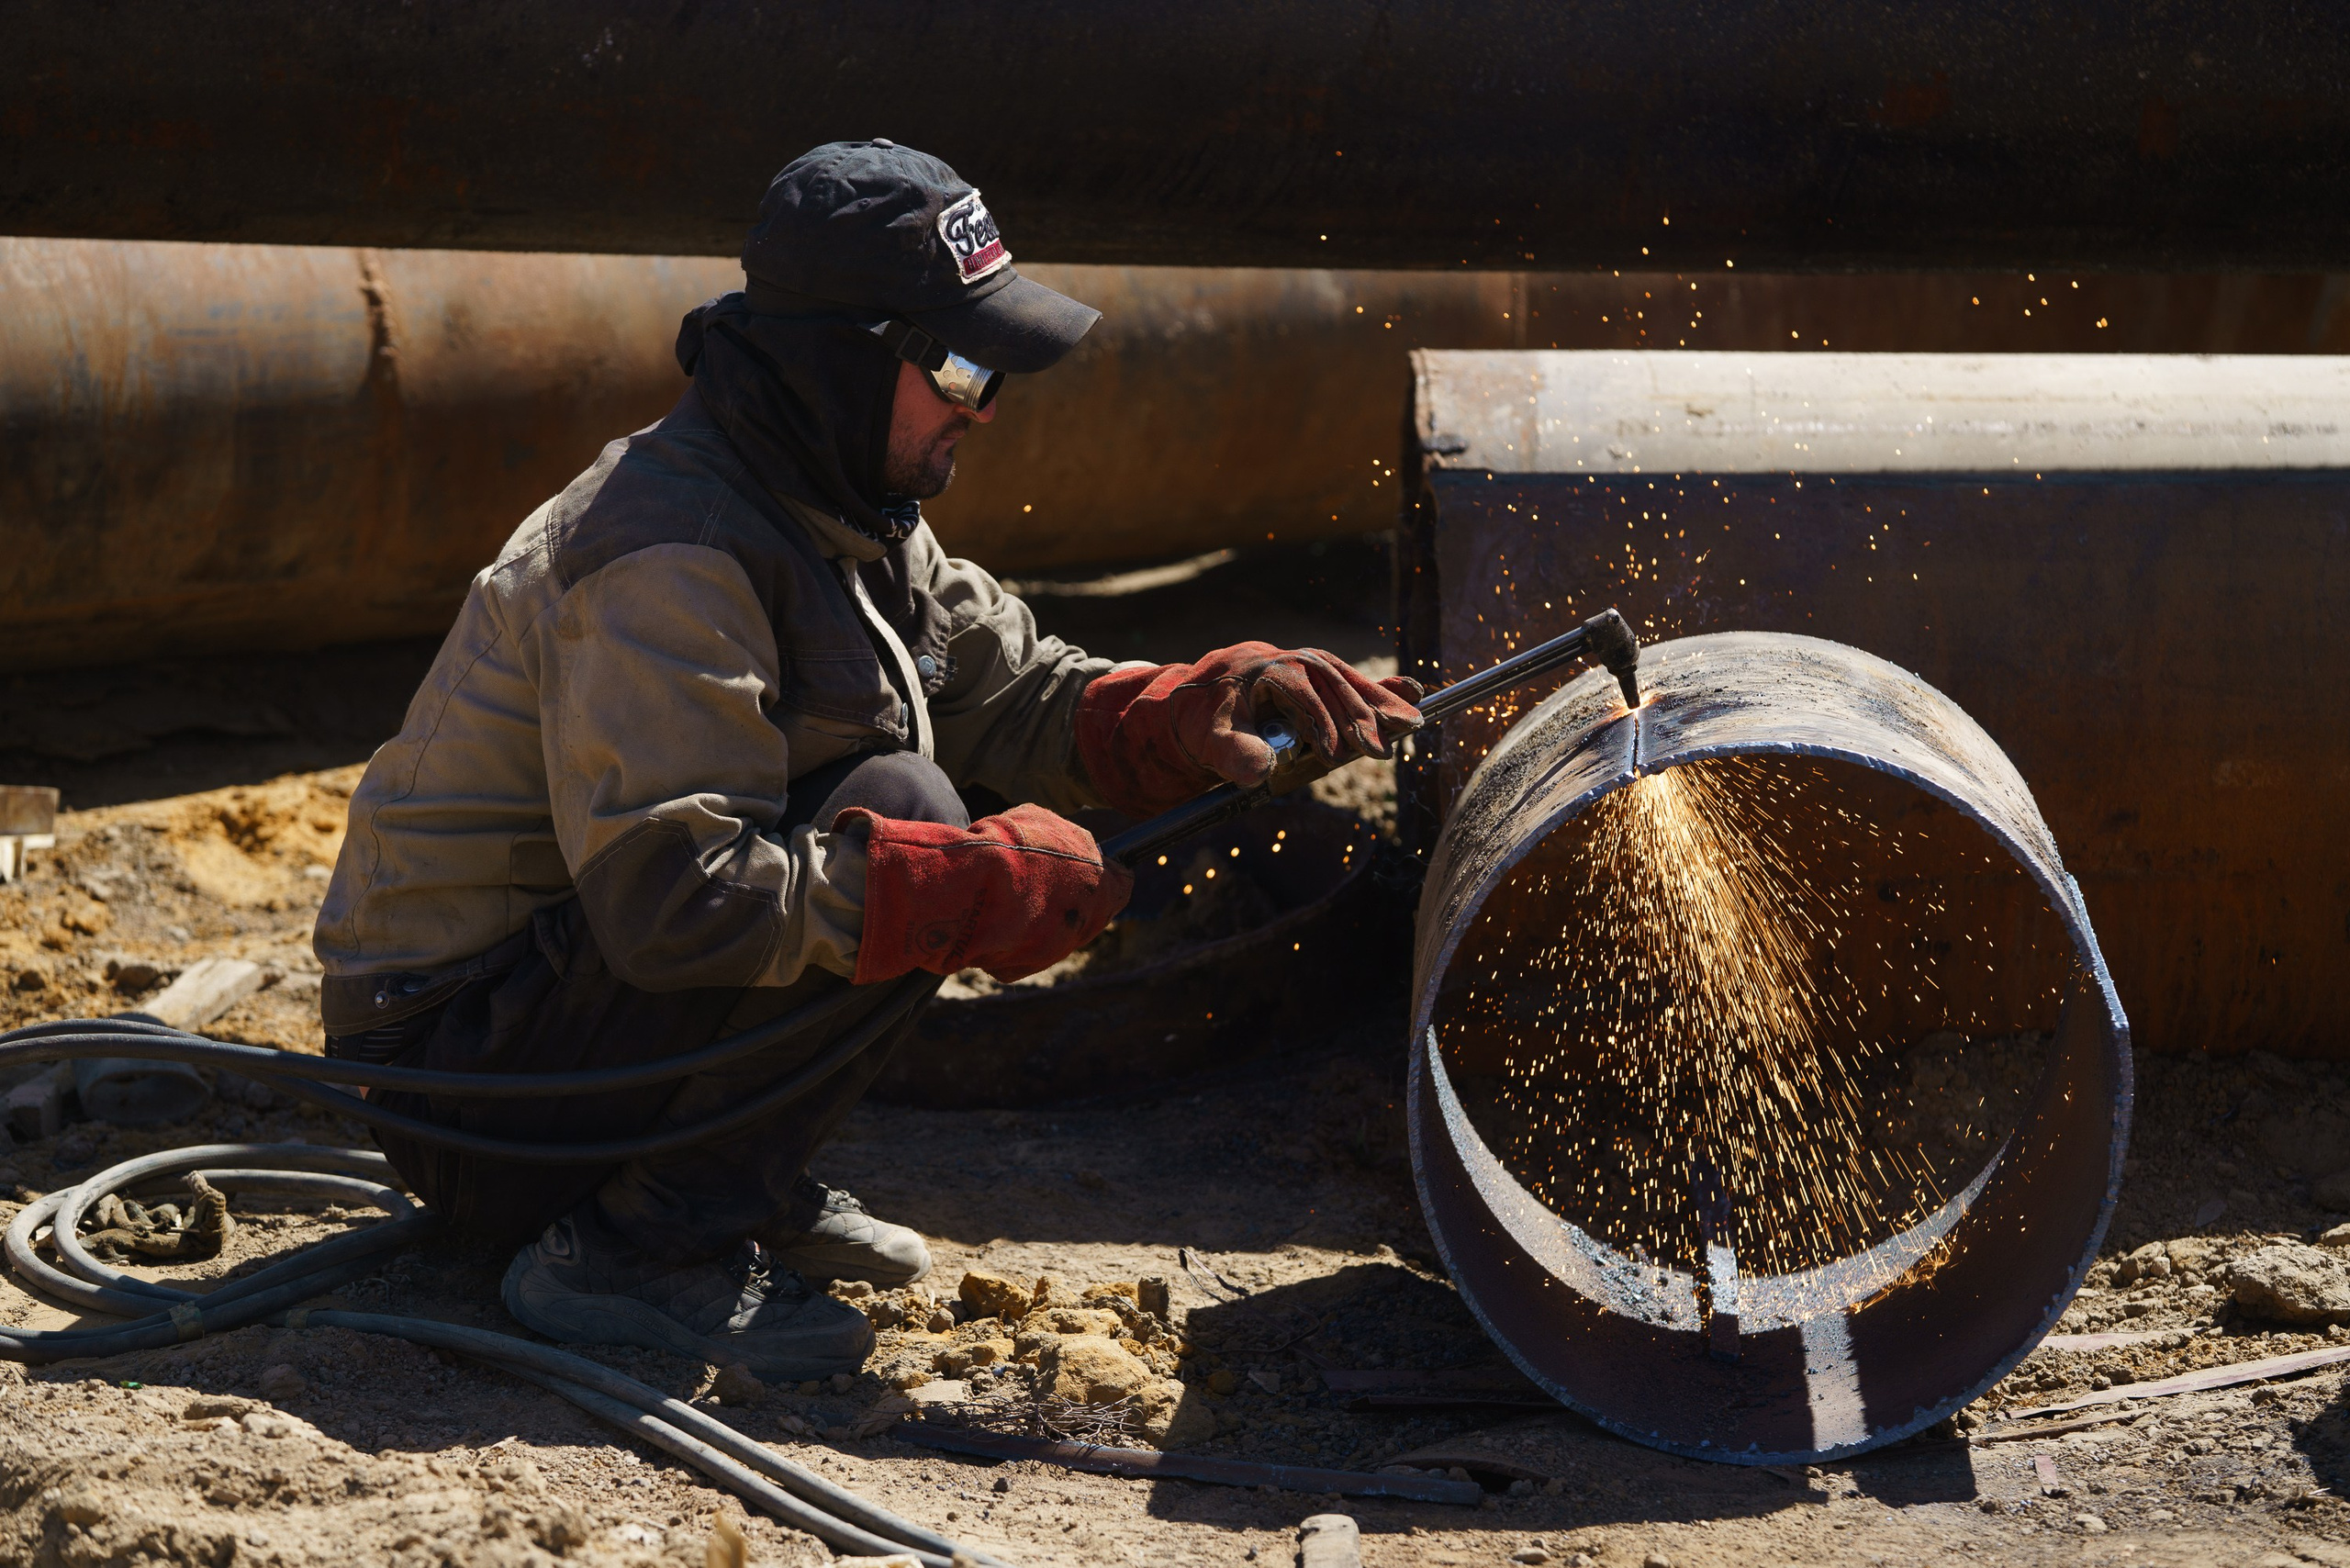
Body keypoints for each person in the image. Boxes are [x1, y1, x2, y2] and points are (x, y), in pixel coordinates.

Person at [312, 140, 1420, 1380]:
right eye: (957, 365)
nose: (982, 405)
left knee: (918, 809)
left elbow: (1009, 687)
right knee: (911, 818)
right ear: (839, 356)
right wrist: (964, 886)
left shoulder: (836, 499)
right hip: (463, 1086)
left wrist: (1178, 710)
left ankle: (725, 1174)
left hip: (552, 1029)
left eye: (993, 372)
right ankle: (640, 1244)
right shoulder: (671, 550)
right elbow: (674, 904)